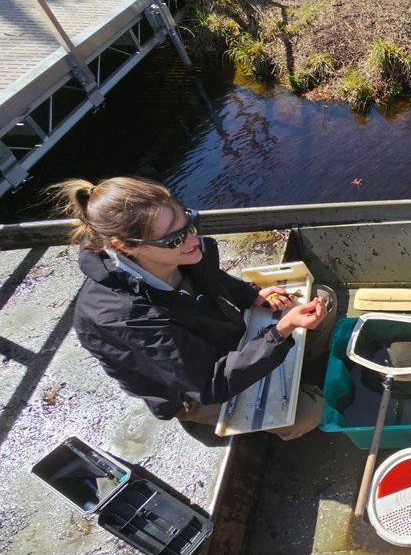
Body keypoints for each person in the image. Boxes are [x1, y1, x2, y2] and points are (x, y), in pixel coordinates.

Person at [50, 176, 336, 440]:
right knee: (309, 413)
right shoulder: (119, 318)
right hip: (194, 388)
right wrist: (281, 331)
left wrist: (251, 295)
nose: (191, 240)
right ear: (125, 245)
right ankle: (283, 400)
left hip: (223, 342)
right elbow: (209, 382)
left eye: (189, 223)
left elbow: (212, 279)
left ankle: (301, 370)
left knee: (323, 299)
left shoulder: (178, 251)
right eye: (175, 238)